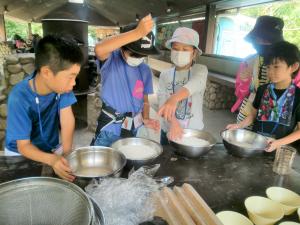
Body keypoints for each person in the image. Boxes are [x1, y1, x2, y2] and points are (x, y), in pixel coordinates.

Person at [5, 35, 83, 181]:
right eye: (70, 77)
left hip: (47, 147)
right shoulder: (19, 97)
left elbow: (67, 121)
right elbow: (23, 146)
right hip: (19, 153)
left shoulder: (63, 87)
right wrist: (53, 160)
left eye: (75, 77)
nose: (73, 83)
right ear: (47, 72)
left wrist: (66, 156)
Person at [91, 14, 160, 147]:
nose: (138, 58)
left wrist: (145, 118)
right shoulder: (112, 60)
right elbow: (99, 49)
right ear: (122, 48)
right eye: (134, 54)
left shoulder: (145, 70)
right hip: (110, 130)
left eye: (142, 55)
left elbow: (145, 100)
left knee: (129, 165)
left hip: (134, 128)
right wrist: (137, 33)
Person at [226, 41, 300, 152]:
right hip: (255, 144)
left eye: (276, 67)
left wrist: (278, 143)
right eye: (268, 67)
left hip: (279, 149)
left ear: (293, 67)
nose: (271, 71)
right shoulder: (262, 90)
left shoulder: (298, 96)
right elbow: (252, 116)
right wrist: (239, 125)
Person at [231, 16, 285, 126]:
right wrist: (246, 79)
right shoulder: (249, 61)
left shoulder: (289, 64)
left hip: (274, 117)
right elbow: (239, 92)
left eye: (266, 40)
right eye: (258, 39)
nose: (261, 43)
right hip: (248, 111)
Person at [157, 27, 208, 144]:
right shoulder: (165, 75)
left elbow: (195, 84)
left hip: (193, 133)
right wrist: (174, 123)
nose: (180, 53)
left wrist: (174, 98)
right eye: (176, 49)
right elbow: (162, 103)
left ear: (194, 53)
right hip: (169, 132)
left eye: (185, 49)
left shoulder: (200, 70)